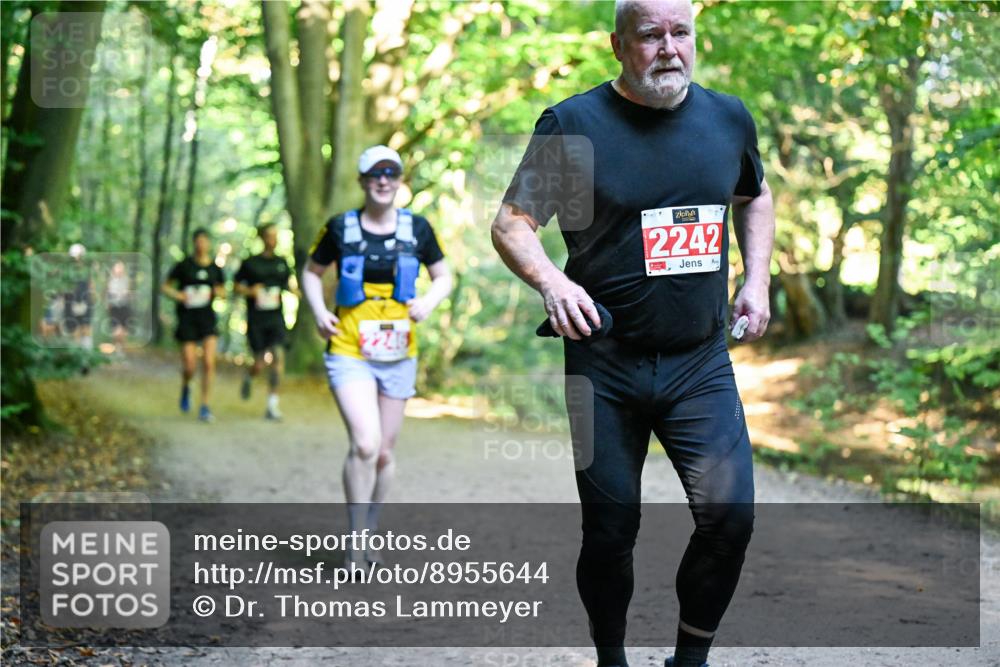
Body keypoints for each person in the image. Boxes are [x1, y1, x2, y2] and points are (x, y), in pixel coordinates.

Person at [491, 2, 775, 666]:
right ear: (619, 44)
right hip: (604, 364)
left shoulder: (727, 117)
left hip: (698, 360)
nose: (669, 48)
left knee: (730, 518)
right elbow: (512, 224)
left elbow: (753, 194)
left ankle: (690, 658)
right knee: (611, 532)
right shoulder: (575, 125)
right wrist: (554, 284)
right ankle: (611, 659)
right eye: (652, 35)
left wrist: (757, 279)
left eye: (681, 33)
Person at [302, 145, 452, 569]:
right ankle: (354, 542)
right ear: (362, 181)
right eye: (375, 174)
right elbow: (311, 273)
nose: (383, 181)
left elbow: (444, 276)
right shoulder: (339, 228)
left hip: (399, 353)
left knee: (384, 452)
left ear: (400, 181)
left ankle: (370, 531)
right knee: (365, 443)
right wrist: (318, 312)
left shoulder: (418, 229)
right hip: (349, 349)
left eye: (391, 173)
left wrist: (429, 301)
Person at [234, 223, 299, 420]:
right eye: (270, 235)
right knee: (260, 362)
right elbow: (236, 286)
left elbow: (289, 284)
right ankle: (250, 375)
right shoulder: (251, 263)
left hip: (276, 318)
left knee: (278, 357)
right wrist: (249, 291)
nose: (274, 239)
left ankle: (272, 405)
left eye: (276, 235)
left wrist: (298, 292)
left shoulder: (282, 262)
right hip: (256, 319)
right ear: (262, 238)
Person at [162, 228, 226, 423]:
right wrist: (178, 295)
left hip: (207, 319)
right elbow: (165, 286)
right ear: (194, 243)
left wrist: (217, 292)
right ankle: (186, 385)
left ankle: (205, 405)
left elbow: (223, 292)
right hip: (187, 319)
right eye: (198, 241)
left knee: (208, 362)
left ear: (209, 244)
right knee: (190, 364)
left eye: (205, 241)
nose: (201, 244)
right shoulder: (183, 266)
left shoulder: (215, 268)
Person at [105, 259, 132, 353]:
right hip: (114, 308)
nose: (119, 270)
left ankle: (121, 350)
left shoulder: (126, 280)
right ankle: (117, 349)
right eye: (117, 267)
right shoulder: (110, 281)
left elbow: (129, 293)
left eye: (120, 267)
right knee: (116, 330)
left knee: (123, 331)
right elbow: (108, 295)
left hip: (124, 307)